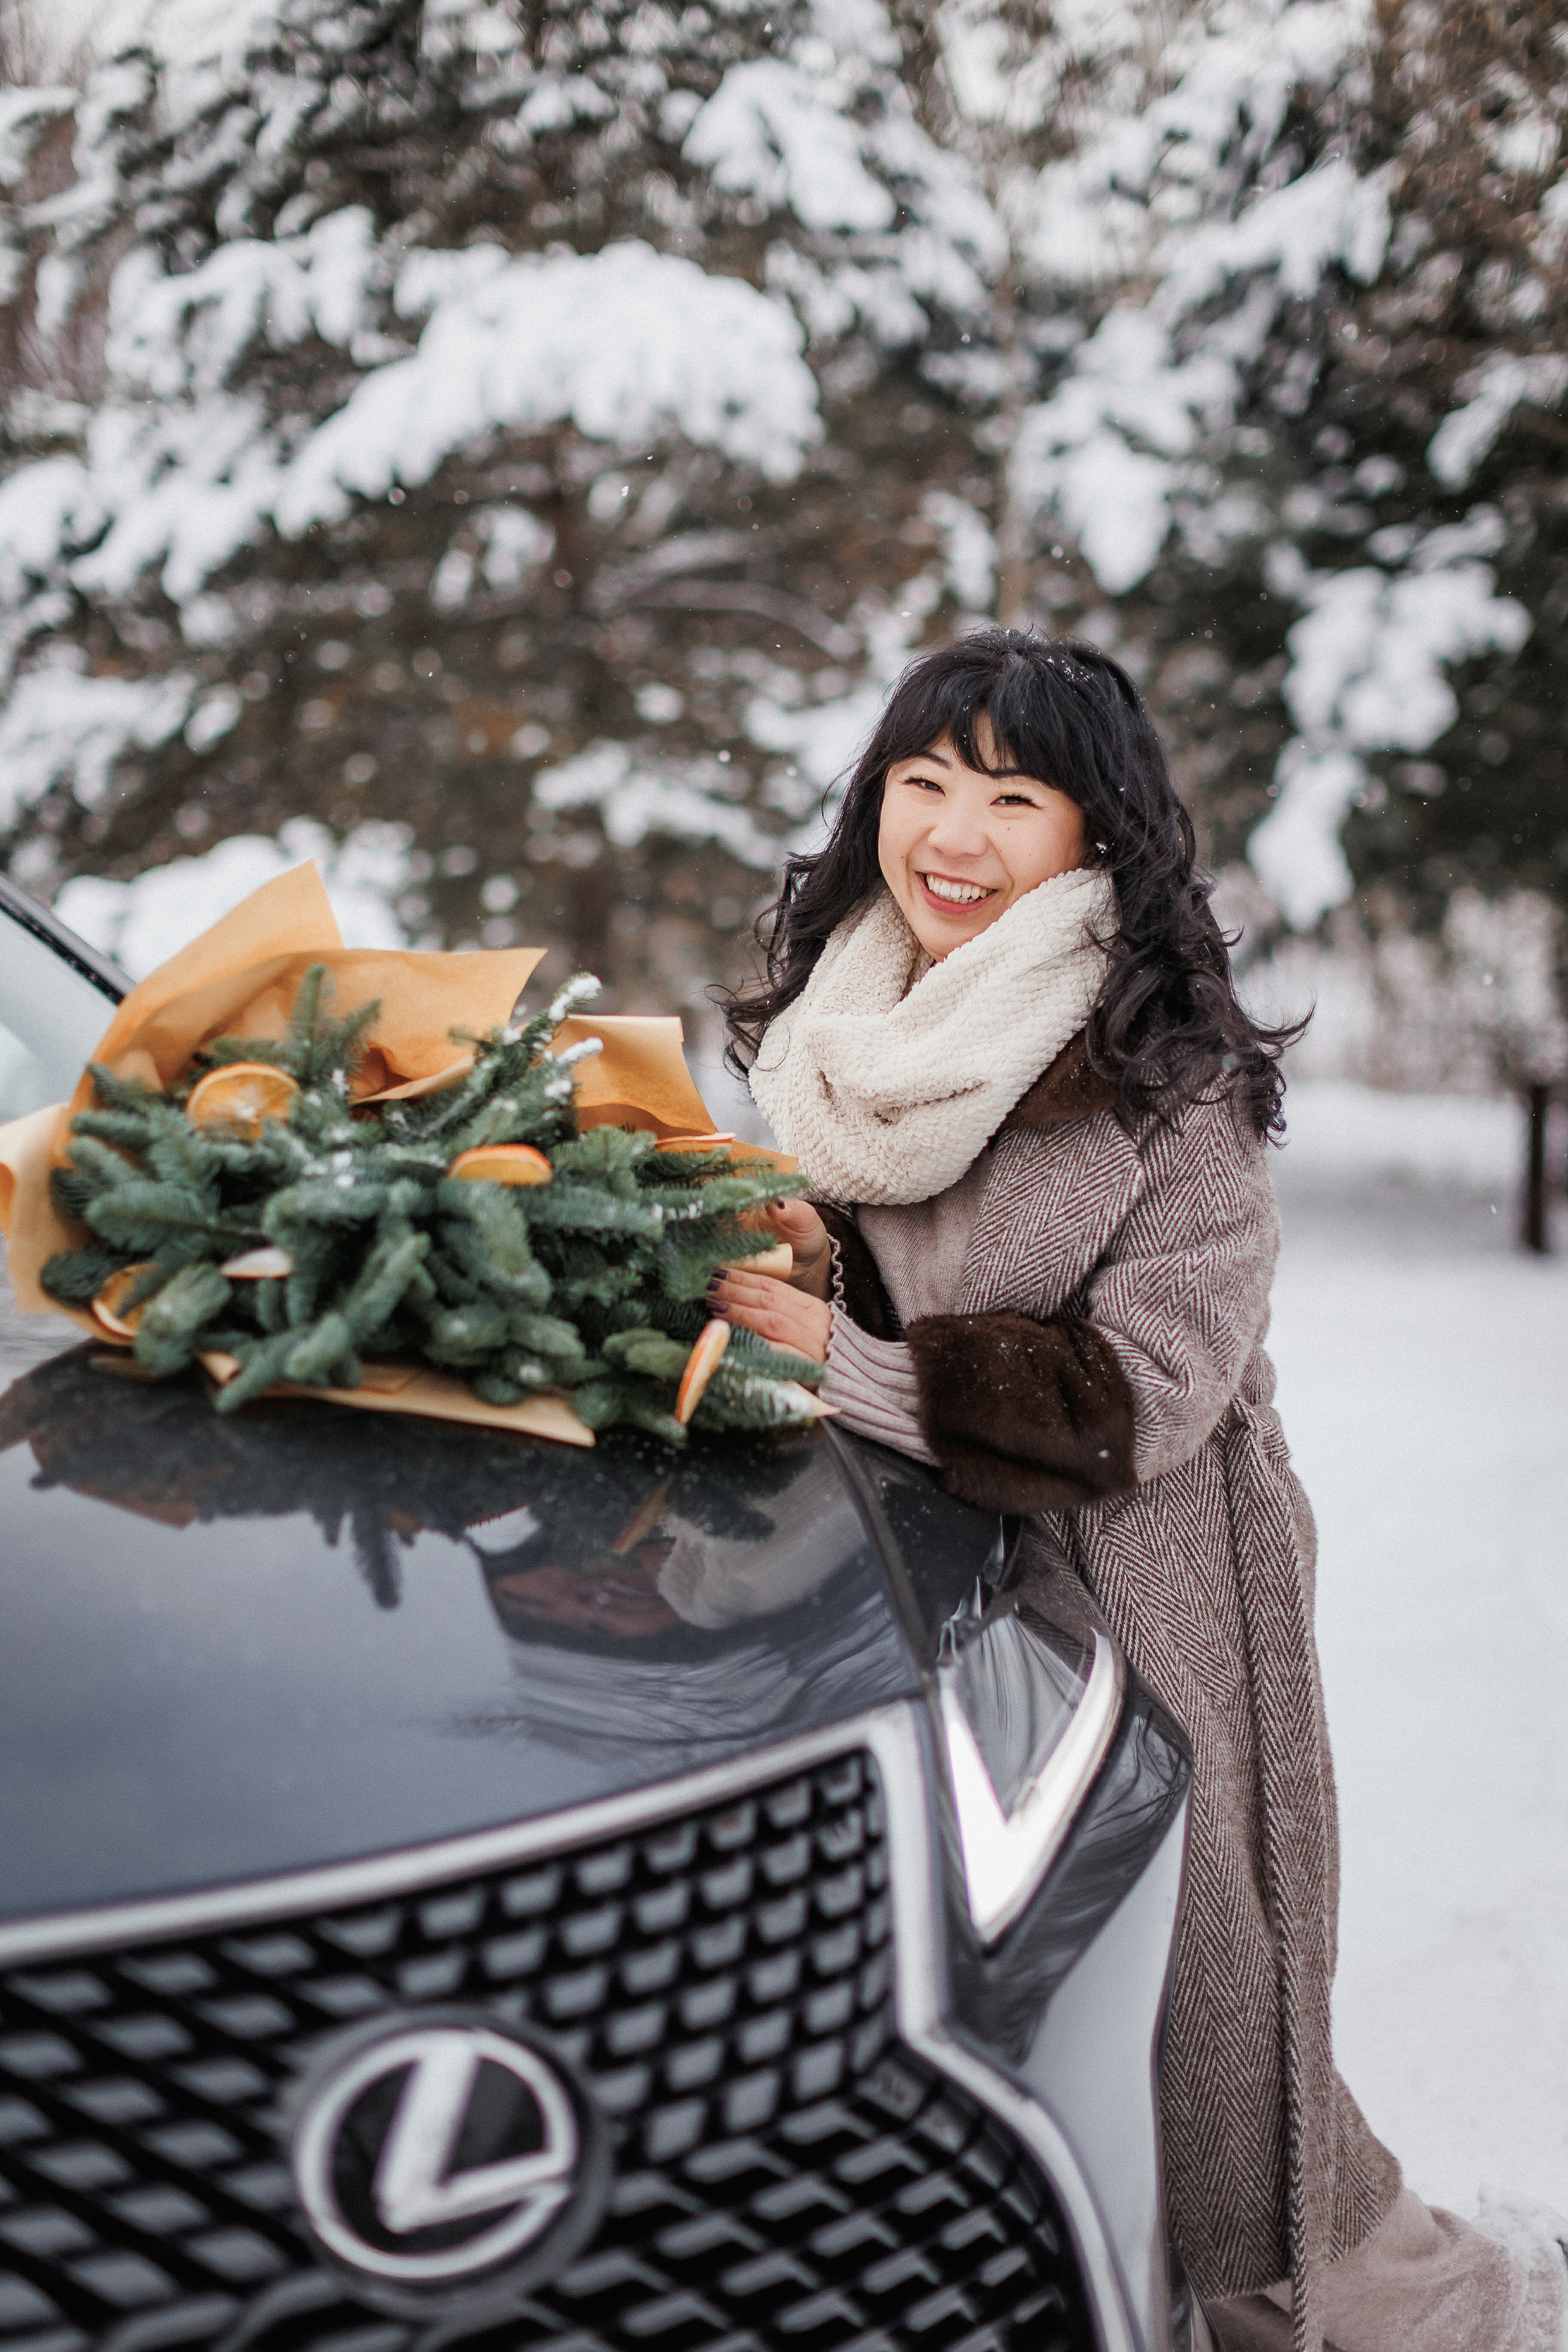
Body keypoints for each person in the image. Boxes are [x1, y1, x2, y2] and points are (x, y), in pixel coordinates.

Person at [714, 628, 1568, 2352]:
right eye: (924, 782)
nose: (952, 834)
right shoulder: (835, 1034)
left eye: (1011, 799)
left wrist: (842, 1357)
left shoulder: (1170, 1076)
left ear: (1094, 836)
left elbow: (1151, 1391)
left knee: (1207, 1991)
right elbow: (832, 1278)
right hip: (896, 1570)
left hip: (1150, 1576)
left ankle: (1399, 2310)